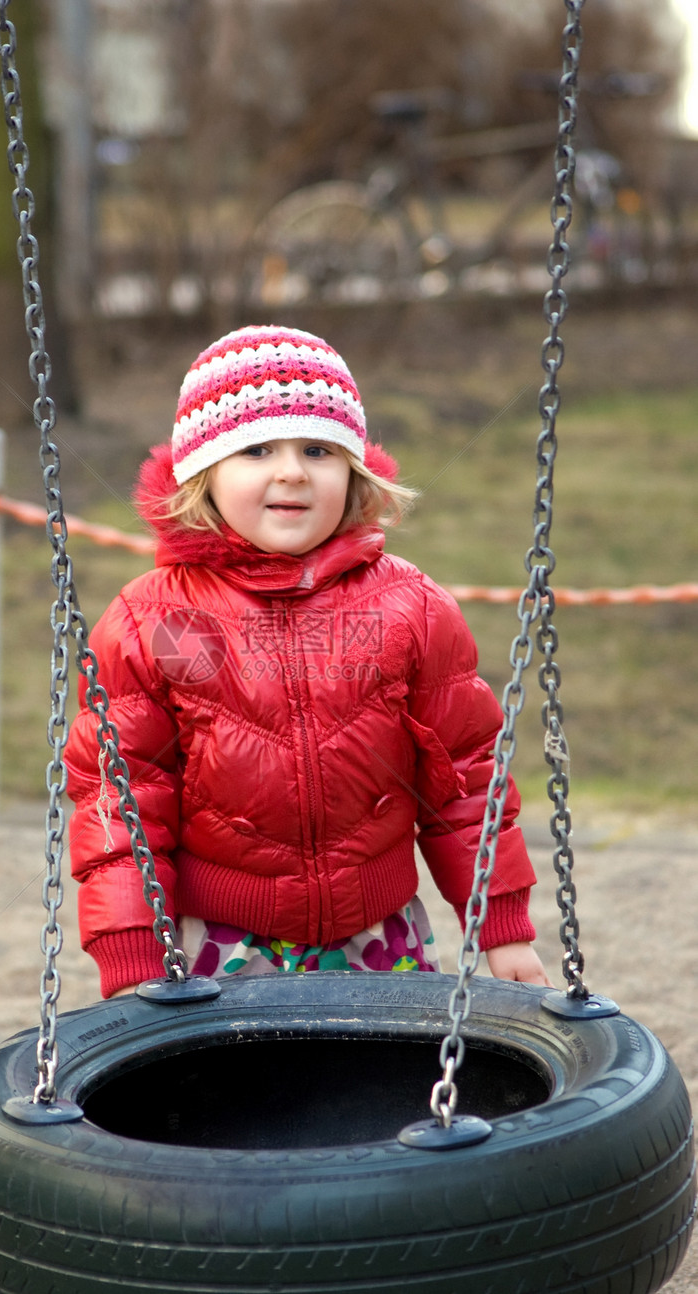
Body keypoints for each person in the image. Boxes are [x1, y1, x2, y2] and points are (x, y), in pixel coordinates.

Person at [65, 324, 552, 997]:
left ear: (353, 472)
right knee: (223, 1099)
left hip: (378, 935)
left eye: (318, 449)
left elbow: (464, 781)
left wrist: (502, 924)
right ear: (202, 476)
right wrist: (132, 953)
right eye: (257, 448)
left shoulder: (411, 607)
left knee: (391, 1089)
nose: (291, 470)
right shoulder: (157, 621)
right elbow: (122, 798)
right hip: (218, 939)